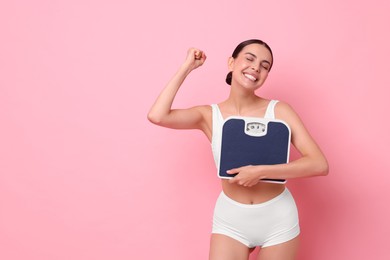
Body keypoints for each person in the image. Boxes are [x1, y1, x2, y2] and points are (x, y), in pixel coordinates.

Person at [147, 39, 329, 260]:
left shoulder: (279, 111)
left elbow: (319, 164)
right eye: (250, 59)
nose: (256, 68)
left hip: (277, 218)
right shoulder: (208, 115)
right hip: (231, 220)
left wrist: (260, 172)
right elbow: (157, 115)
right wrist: (187, 67)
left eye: (265, 65)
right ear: (231, 63)